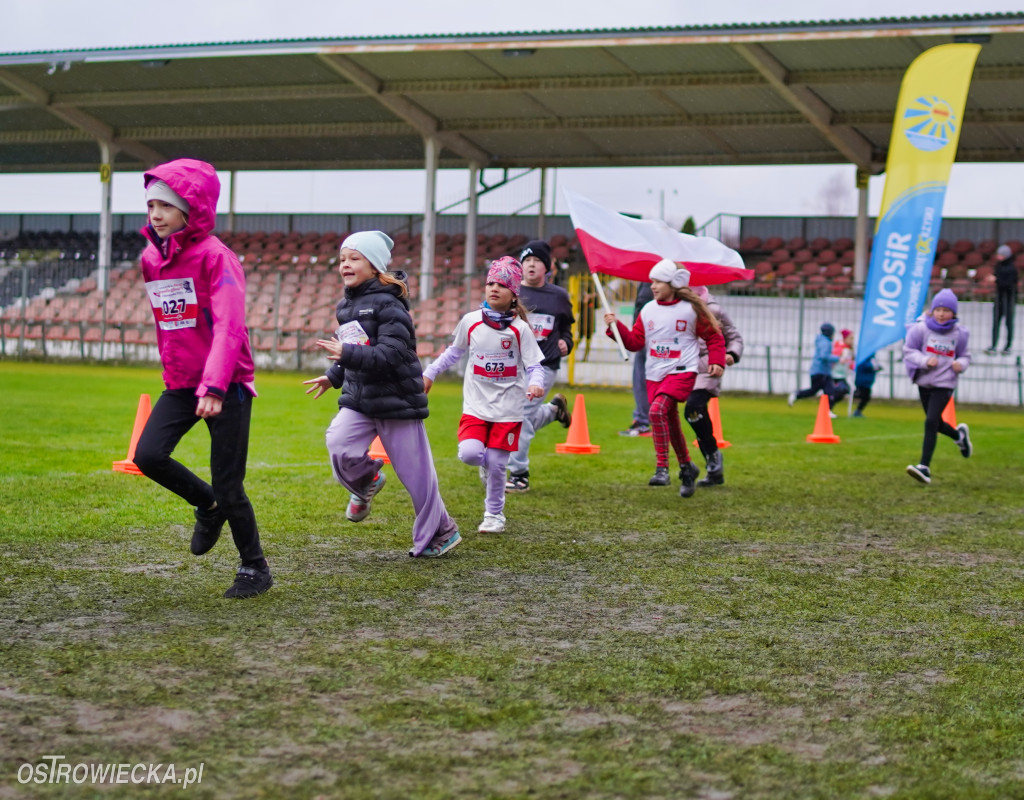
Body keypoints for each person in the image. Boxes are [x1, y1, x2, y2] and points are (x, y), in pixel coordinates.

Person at [131, 158, 272, 598]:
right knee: (148, 455)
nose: (155, 214)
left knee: (230, 483)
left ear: (190, 209)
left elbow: (231, 326)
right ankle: (206, 505)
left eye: (166, 206)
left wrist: (213, 386)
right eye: (151, 204)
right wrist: (182, 380)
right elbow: (170, 326)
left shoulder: (217, 257)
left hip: (226, 384)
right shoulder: (151, 258)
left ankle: (255, 568)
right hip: (181, 383)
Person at [303, 231, 461, 558]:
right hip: (360, 399)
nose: (345, 264)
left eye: (354, 258)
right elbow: (355, 349)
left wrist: (345, 354)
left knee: (417, 477)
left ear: (374, 266)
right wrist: (333, 376)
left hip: (398, 400)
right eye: (343, 258)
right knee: (338, 443)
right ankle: (367, 482)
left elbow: (390, 354)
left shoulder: (390, 306)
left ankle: (442, 531)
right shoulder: (344, 306)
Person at [423, 256, 546, 533]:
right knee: (469, 454)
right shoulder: (471, 321)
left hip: (509, 409)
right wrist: (430, 372)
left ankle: (494, 515)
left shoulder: (520, 329)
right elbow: (454, 352)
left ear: (513, 294)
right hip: (476, 406)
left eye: (501, 285)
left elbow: (534, 364)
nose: (493, 288)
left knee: (498, 464)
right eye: (490, 282)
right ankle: (485, 467)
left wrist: (535, 384)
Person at [603, 259, 726, 498]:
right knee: (669, 421)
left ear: (674, 284)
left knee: (656, 412)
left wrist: (717, 360)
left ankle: (662, 468)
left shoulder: (691, 309)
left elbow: (714, 337)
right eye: (652, 281)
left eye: (658, 281)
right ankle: (687, 467)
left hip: (682, 371)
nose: (653, 286)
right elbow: (636, 342)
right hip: (655, 374)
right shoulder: (648, 309)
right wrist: (615, 327)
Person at [505, 240, 574, 493]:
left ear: (548, 267)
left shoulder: (558, 297)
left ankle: (519, 473)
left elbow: (567, 328)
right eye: (527, 260)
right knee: (512, 412)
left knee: (521, 414)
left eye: (538, 261)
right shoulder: (510, 292)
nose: (532, 265)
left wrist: (567, 342)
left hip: (544, 365)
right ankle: (555, 411)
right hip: (513, 365)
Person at [903, 288, 972, 485]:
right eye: (938, 310)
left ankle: (924, 467)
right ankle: (959, 435)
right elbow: (908, 350)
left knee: (931, 421)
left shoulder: (959, 333)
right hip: (925, 381)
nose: (941, 314)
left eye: (946, 310)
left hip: (945, 382)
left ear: (954, 313)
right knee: (935, 422)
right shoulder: (921, 329)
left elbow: (966, 355)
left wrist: (961, 364)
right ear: (932, 311)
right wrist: (924, 361)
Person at [683, 286, 743, 486]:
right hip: (683, 367)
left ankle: (711, 457)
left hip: (710, 365)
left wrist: (731, 354)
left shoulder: (714, 309)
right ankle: (712, 459)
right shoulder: (676, 309)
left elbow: (734, 336)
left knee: (693, 408)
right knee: (694, 417)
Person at [620, 281, 654, 436]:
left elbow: (642, 304)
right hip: (654, 337)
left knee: (642, 379)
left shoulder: (649, 283)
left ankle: (642, 421)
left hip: (648, 337)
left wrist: (636, 332)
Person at [788, 322, 840, 417]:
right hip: (822, 371)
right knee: (830, 391)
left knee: (814, 390)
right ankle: (828, 411)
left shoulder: (820, 340)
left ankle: (797, 394)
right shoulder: (826, 342)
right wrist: (837, 358)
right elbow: (824, 356)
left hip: (817, 370)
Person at [987, 243, 1018, 354]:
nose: (998, 256)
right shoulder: (998, 266)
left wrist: (996, 279)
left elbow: (1009, 283)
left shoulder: (1012, 268)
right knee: (996, 322)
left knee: (1008, 323)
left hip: (1009, 298)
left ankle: (1008, 346)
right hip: (999, 297)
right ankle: (993, 345)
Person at [851, 352, 883, 417]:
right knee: (864, 396)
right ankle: (857, 411)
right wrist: (876, 367)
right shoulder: (864, 358)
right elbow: (867, 366)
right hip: (862, 381)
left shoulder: (871, 358)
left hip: (867, 382)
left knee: (865, 397)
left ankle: (858, 411)